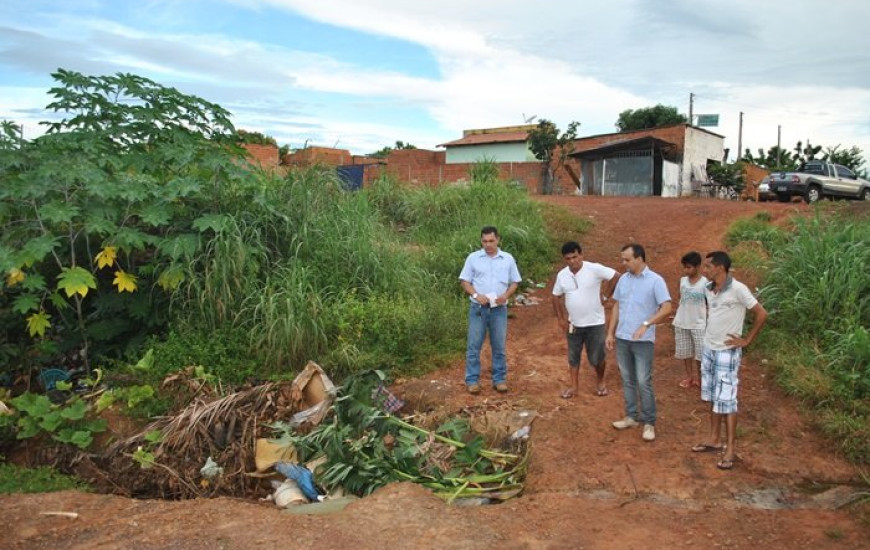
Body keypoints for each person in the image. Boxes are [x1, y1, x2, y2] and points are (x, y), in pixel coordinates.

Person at [690, 251, 767, 470]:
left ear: (720, 268)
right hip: (709, 349)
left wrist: (747, 340)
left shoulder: (738, 289)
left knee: (728, 400)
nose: (704, 270)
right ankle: (714, 439)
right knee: (714, 396)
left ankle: (730, 448)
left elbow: (762, 314)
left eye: (708, 267)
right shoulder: (709, 289)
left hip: (727, 352)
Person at [606, 244, 672, 442]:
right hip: (623, 337)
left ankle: (649, 422)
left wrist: (647, 323)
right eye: (622, 259)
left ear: (640, 258)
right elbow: (617, 305)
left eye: (627, 259)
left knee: (643, 381)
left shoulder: (655, 281)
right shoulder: (623, 280)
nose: (623, 263)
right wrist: (610, 332)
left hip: (643, 341)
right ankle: (631, 417)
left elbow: (667, 307)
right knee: (627, 379)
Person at [552, 241, 620, 399]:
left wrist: (605, 296)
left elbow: (616, 276)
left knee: (597, 357)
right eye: (568, 259)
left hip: (595, 323)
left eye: (575, 257)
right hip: (573, 324)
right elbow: (555, 296)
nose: (572, 261)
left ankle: (601, 382)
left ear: (581, 255)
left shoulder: (594, 269)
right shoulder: (562, 275)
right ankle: (574, 387)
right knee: (573, 356)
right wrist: (561, 319)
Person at [459, 226, 522, 395]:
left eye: (491, 241)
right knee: (474, 345)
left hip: (499, 309)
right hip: (478, 308)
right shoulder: (473, 258)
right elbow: (464, 281)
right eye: (484, 241)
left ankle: (499, 380)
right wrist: (476, 294)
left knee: (499, 345)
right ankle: (472, 380)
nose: (488, 244)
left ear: (498, 240)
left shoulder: (507, 259)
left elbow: (515, 281)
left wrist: (506, 295)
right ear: (481, 241)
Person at [673, 251, 707, 389]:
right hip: (682, 322)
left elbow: (709, 302)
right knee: (686, 353)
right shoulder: (682, 281)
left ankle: (700, 378)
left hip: (699, 323)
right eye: (684, 267)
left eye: (689, 267)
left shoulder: (705, 283)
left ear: (697, 266)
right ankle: (689, 377)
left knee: (700, 354)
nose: (686, 270)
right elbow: (679, 297)